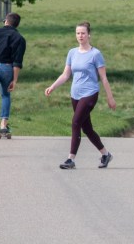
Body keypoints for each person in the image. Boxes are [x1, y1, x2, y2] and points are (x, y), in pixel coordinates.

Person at [44, 22, 116, 169]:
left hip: (90, 93)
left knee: (76, 122)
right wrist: (53, 86)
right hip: (75, 94)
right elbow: (66, 75)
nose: (80, 36)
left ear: (89, 35)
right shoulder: (72, 53)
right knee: (87, 128)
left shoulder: (95, 54)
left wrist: (110, 97)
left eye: (83, 33)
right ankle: (105, 154)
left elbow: (103, 77)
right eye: (78, 33)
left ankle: (71, 159)